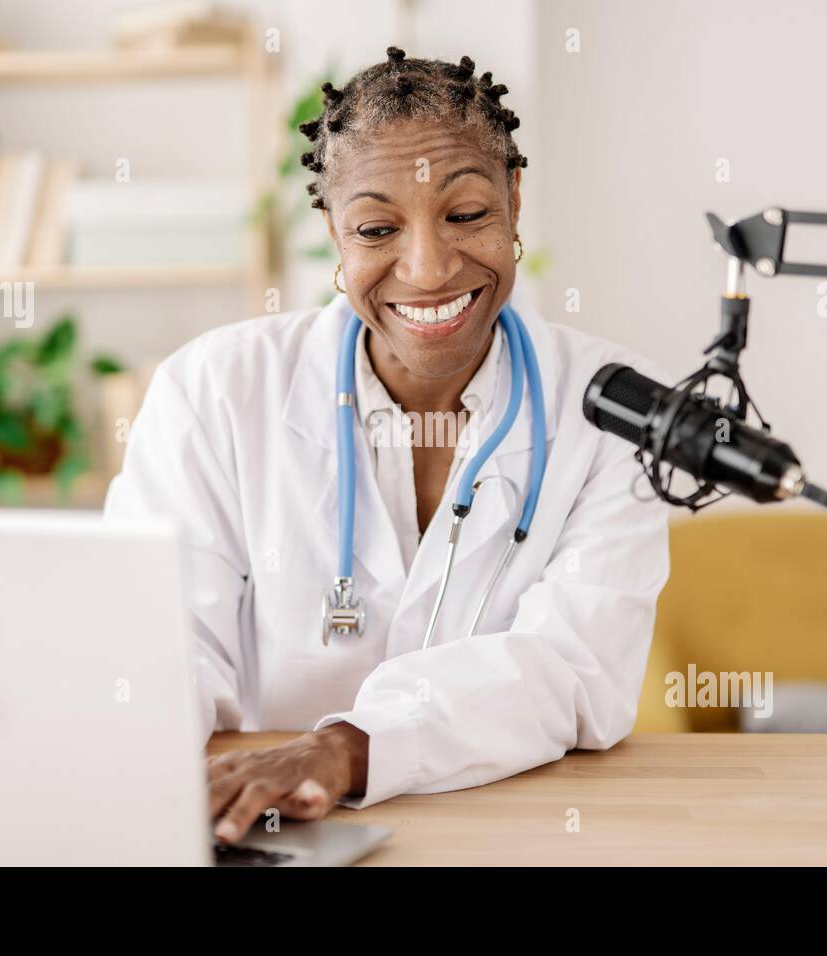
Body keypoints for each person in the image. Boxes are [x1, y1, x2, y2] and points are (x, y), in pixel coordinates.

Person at [104, 47, 669, 844]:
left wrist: (342, 751)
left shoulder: (614, 403)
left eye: (467, 214)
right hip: (266, 832)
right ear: (334, 233)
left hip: (520, 830)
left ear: (514, 200)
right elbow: (155, 649)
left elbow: (576, 670)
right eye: (376, 227)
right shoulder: (213, 393)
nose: (429, 268)